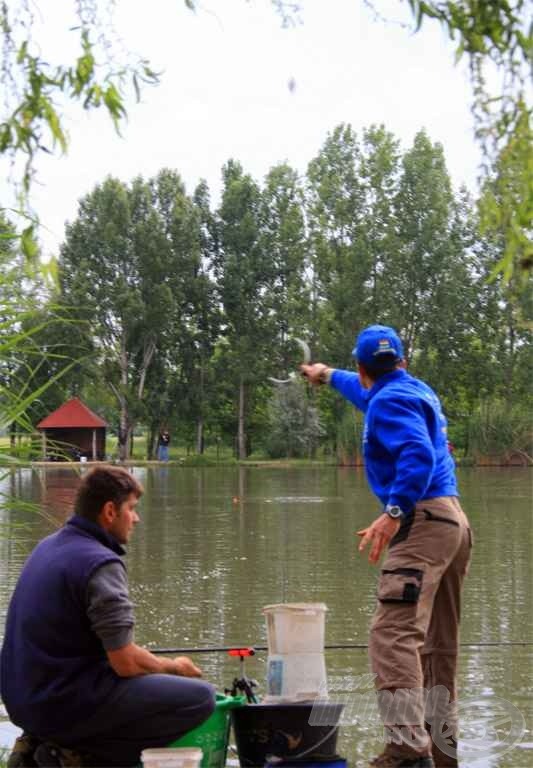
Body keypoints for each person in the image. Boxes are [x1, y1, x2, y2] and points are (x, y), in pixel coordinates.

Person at [302, 325, 472, 768]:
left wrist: (393, 511)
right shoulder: (409, 391)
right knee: (435, 646)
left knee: (392, 636)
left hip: (422, 522)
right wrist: (324, 375)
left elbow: (417, 453)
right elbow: (366, 395)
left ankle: (406, 750)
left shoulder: (388, 400)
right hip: (453, 521)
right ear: (401, 362)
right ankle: (441, 751)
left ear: (363, 369)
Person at [0, 466, 215, 768]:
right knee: (199, 698)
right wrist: (174, 667)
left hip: (23, 701)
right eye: (132, 509)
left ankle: (44, 744)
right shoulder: (99, 563)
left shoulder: (48, 546)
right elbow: (125, 662)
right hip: (57, 702)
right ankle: (76, 756)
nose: (136, 519)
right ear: (110, 511)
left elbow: (109, 648)